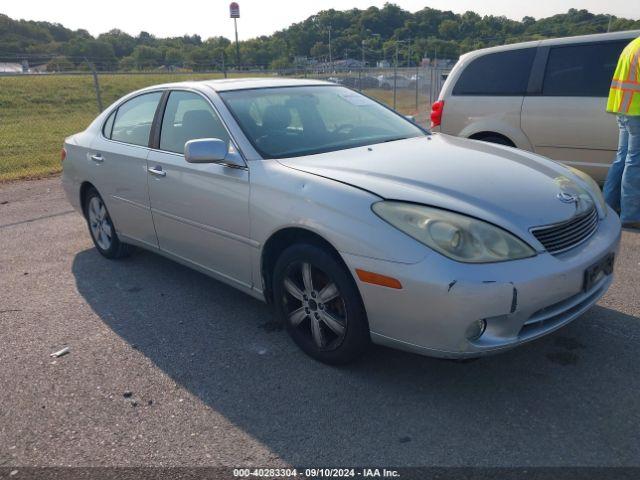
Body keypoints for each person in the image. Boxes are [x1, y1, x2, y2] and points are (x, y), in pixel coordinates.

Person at [603, 36, 640, 229]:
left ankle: (607, 207)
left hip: (623, 109)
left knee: (623, 159)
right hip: (637, 111)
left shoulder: (632, 45)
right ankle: (632, 215)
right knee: (635, 162)